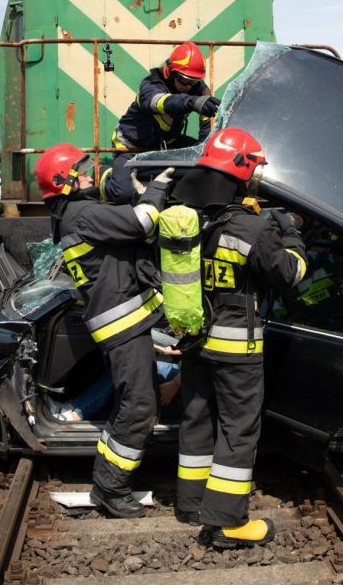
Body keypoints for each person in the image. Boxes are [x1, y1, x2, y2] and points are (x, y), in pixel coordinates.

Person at [167, 127, 307, 548]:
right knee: (238, 429)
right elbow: (290, 277)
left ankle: (191, 504)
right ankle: (227, 523)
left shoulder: (189, 217)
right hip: (236, 348)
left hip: (195, 340)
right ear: (242, 170)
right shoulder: (251, 228)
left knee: (196, 420)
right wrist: (292, 234)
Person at [34, 143, 172, 518]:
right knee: (139, 405)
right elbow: (141, 223)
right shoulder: (82, 214)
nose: (88, 173)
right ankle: (111, 487)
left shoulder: (74, 215)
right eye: (79, 170)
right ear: (64, 182)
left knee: (136, 401)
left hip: (125, 322)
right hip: (122, 325)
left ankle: (109, 482)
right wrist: (158, 186)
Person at [102, 42, 221, 205]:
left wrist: (203, 155)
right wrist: (191, 101)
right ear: (169, 72)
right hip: (131, 146)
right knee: (123, 194)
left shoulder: (197, 88)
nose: (188, 86)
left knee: (207, 161)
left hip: (166, 144)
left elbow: (205, 126)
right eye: (184, 80)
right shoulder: (151, 85)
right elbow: (158, 102)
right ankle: (106, 174)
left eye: (193, 82)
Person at [48, 332, 183, 421]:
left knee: (127, 367)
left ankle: (77, 413)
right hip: (187, 359)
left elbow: (203, 363)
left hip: (188, 372)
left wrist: (175, 384)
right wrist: (174, 348)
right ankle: (73, 405)